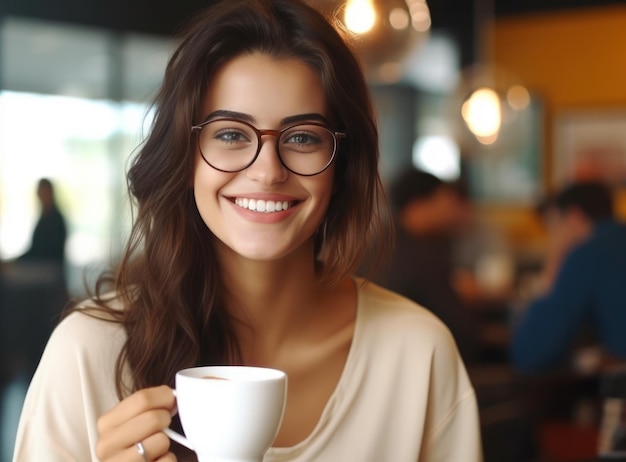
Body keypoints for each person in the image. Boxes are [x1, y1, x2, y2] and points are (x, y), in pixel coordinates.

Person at [12, 1, 483, 461]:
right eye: (232, 134)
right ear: (185, 154)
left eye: (302, 138)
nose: (268, 171)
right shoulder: (88, 354)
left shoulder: (417, 354)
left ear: (343, 166)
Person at [511, 181, 626, 372]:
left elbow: (531, 353)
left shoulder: (589, 255)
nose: (551, 236)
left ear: (573, 217)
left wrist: (553, 261)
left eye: (553, 226)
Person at [374, 168, 482, 365]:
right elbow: (460, 329)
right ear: (418, 205)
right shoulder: (419, 255)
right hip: (428, 369)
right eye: (444, 199)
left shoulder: (385, 244)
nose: (451, 208)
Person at [18, 178, 67, 265]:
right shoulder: (46, 217)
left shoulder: (54, 219)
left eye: (44, 192)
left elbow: (43, 252)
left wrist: (17, 262)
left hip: (48, 269)